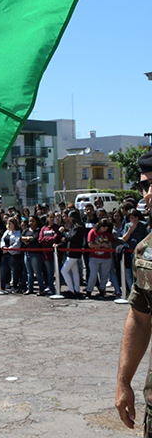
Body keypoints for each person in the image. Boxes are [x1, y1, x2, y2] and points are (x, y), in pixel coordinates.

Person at [116, 150, 152, 434]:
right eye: (145, 185)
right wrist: (124, 381)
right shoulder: (146, 251)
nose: (149, 194)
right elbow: (140, 318)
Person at [60, 210, 85, 298]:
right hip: (73, 251)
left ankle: (71, 289)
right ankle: (76, 290)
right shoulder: (76, 226)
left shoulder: (77, 227)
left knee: (64, 270)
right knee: (75, 271)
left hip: (73, 252)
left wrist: (64, 233)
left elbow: (71, 237)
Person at [86, 218, 113, 298]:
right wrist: (102, 245)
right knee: (93, 275)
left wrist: (111, 256)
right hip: (94, 257)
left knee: (104, 276)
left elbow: (110, 244)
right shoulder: (93, 232)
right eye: (103, 227)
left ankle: (102, 290)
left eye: (106, 227)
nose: (104, 229)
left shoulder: (107, 234)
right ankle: (89, 290)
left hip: (106, 257)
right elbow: (90, 245)